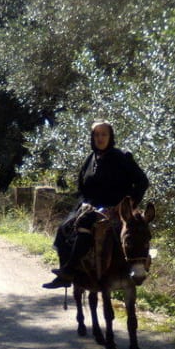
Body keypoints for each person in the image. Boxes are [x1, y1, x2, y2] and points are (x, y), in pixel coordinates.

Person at [42, 119, 150, 289]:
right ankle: (66, 274)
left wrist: (128, 203)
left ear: (110, 136)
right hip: (90, 205)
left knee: (85, 223)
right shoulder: (90, 158)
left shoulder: (122, 157)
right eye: (96, 134)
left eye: (104, 134)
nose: (100, 138)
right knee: (64, 228)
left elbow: (143, 182)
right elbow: (82, 186)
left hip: (114, 207)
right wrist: (84, 204)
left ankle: (70, 270)